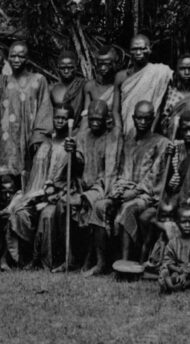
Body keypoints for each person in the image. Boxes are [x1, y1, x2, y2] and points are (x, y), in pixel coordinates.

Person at [3, 105, 80, 268]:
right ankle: (20, 258)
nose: (60, 121)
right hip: (37, 193)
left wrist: (73, 153)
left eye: (64, 118)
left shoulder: (72, 144)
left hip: (59, 194)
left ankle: (43, 260)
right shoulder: (45, 143)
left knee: (47, 214)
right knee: (20, 213)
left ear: (70, 121)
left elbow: (77, 168)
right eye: (57, 117)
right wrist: (34, 194)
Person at [112, 101, 170, 262]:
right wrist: (121, 189)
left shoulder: (162, 143)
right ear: (133, 118)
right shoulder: (128, 143)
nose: (143, 122)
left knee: (128, 208)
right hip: (128, 191)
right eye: (139, 118)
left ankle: (125, 261)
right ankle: (106, 261)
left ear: (153, 119)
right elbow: (122, 170)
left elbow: (156, 175)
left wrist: (136, 191)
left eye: (147, 118)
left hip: (149, 196)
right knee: (105, 205)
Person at [74, 100, 123, 275]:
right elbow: (78, 164)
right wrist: (72, 153)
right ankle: (75, 258)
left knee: (92, 204)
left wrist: (104, 191)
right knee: (69, 203)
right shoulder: (82, 136)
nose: (95, 123)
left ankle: (93, 259)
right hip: (84, 185)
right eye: (92, 119)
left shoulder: (112, 137)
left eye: (98, 120)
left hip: (104, 186)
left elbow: (111, 171)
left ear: (106, 119)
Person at [0, 41, 52, 174]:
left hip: (30, 138)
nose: (16, 60)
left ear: (27, 59)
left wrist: (38, 137)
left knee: (30, 176)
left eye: (21, 56)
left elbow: (44, 109)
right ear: (8, 58)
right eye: (13, 56)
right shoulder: (1, 81)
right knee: (7, 177)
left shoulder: (39, 80)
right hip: (7, 139)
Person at [116, 35, 172, 136]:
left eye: (142, 49)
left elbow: (160, 107)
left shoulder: (160, 72)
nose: (138, 52)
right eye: (134, 49)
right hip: (125, 130)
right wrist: (118, 130)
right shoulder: (121, 77)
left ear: (149, 50)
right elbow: (115, 110)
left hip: (151, 130)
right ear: (130, 51)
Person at [156, 55, 190, 140]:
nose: (187, 72)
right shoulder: (168, 92)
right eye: (182, 69)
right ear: (176, 71)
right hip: (170, 140)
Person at [83, 46, 122, 129]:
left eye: (107, 64)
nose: (103, 68)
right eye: (100, 64)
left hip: (115, 128)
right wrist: (81, 133)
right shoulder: (90, 86)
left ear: (115, 63)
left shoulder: (121, 84)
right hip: (94, 129)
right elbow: (86, 116)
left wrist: (117, 130)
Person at [50, 51, 86, 127]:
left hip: (79, 129)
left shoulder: (84, 86)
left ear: (76, 67)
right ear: (58, 68)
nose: (66, 71)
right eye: (62, 68)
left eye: (70, 68)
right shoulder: (52, 89)